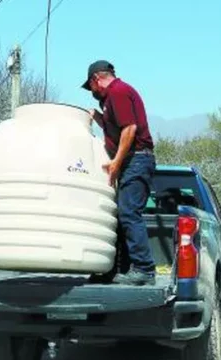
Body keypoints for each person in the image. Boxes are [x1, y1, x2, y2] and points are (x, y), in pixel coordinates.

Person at [82, 60, 156, 286]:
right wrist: (98, 117)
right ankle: (120, 270)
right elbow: (116, 127)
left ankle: (144, 270)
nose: (92, 92)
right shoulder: (112, 98)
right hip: (133, 161)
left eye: (91, 87)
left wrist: (116, 162)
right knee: (122, 214)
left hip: (137, 159)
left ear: (97, 79)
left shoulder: (118, 92)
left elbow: (130, 128)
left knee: (129, 212)